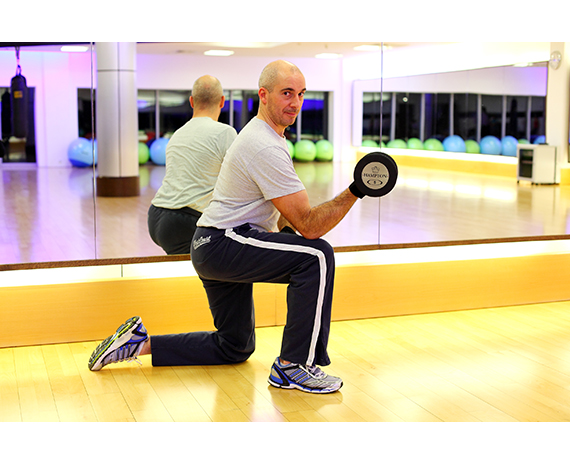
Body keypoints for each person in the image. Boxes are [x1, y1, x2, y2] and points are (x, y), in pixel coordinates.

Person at [88, 60, 370, 394]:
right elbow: (309, 226)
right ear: (263, 95)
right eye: (286, 93)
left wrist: (286, 240)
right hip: (224, 241)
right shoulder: (263, 143)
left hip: (211, 244)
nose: (295, 102)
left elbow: (286, 216)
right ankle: (293, 366)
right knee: (317, 256)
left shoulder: (267, 138)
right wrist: (357, 189)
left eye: (301, 94)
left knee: (234, 346)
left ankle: (139, 344)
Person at [147, 75, 237, 255]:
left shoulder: (177, 135)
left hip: (156, 215)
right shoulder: (225, 132)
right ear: (222, 101)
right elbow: (238, 182)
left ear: (191, 101)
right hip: (186, 221)